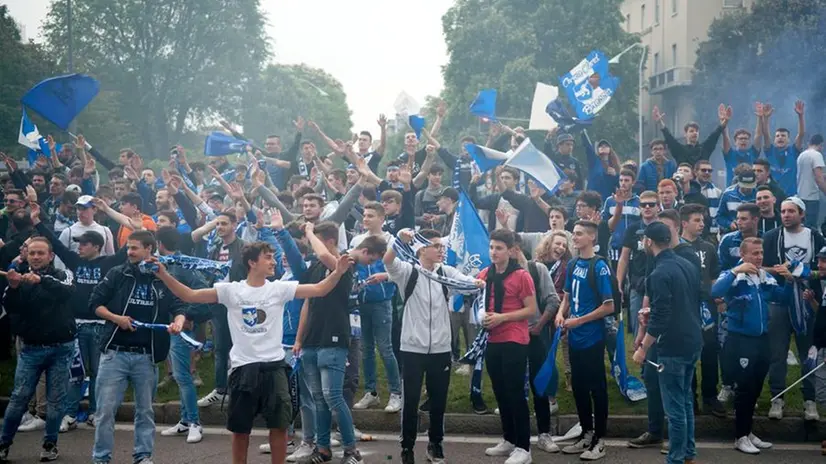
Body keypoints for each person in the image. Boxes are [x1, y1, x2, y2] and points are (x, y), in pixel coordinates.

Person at [154, 241, 351, 464]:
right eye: (268, 257)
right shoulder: (231, 290)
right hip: (242, 369)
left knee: (279, 427)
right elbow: (189, 295)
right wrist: (163, 274)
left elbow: (320, 289)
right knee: (240, 430)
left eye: (274, 257)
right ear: (252, 262)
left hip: (275, 368)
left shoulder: (278, 288)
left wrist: (338, 272)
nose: (273, 261)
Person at [384, 228, 484, 464]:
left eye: (442, 246)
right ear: (421, 249)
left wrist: (478, 282)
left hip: (440, 349)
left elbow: (468, 283)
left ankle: (435, 444)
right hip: (412, 348)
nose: (441, 250)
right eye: (436, 246)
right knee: (410, 401)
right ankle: (407, 447)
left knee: (438, 400)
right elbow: (388, 261)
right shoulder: (409, 272)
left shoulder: (446, 272)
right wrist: (399, 239)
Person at [30, 204, 128, 432]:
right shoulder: (75, 261)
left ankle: (96, 412)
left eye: (84, 244)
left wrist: (134, 224)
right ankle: (71, 414)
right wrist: (37, 222)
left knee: (99, 373)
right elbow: (55, 243)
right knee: (75, 373)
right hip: (77, 326)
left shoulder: (109, 263)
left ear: (96, 246)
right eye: (78, 243)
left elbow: (127, 251)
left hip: (101, 325)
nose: (79, 246)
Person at [712, 237, 791, 454]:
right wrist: (736, 271)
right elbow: (715, 291)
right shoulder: (734, 276)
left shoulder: (764, 277)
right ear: (743, 255)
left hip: (762, 339)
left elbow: (782, 298)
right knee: (745, 389)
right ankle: (739, 436)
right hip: (741, 340)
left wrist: (789, 280)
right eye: (754, 253)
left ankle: (747, 432)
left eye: (761, 253)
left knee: (756, 387)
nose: (759, 257)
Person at [0, 237, 76, 462]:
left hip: (61, 348)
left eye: (40, 253)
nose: (35, 257)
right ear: (26, 255)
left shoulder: (63, 275)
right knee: (18, 399)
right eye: (32, 253)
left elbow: (68, 292)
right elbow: (10, 307)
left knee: (55, 401)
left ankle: (49, 445)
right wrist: (13, 288)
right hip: (31, 348)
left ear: (50, 256)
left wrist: (41, 280)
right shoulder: (18, 277)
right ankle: (4, 443)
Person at [632, 222, 702, 464]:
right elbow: (684, 302)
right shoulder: (688, 265)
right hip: (693, 339)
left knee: (674, 408)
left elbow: (662, 315)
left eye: (644, 239)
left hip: (673, 345)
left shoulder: (658, 273)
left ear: (649, 241)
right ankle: (688, 453)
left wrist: (643, 347)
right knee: (683, 401)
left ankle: (676, 458)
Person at [294, 222, 362, 464]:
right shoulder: (314, 267)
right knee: (318, 399)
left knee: (333, 397)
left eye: (317, 241)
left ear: (330, 241)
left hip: (334, 338)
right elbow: (307, 302)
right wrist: (299, 338)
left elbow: (323, 254)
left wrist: (310, 232)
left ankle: (352, 450)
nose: (313, 247)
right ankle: (323, 449)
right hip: (311, 340)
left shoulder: (344, 263)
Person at [477, 230, 539, 464]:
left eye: (499, 248)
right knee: (500, 391)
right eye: (492, 247)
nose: (494, 252)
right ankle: (509, 439)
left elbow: (531, 309)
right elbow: (478, 302)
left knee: (515, 393)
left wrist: (502, 318)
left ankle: (524, 447)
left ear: (511, 250)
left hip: (514, 338)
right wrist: (482, 316)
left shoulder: (521, 275)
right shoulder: (485, 274)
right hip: (493, 339)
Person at [555, 221, 615, 461]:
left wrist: (578, 321)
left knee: (597, 388)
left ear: (591, 237)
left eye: (579, 234)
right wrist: (561, 314)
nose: (574, 237)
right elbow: (567, 296)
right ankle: (586, 433)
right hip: (575, 337)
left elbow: (608, 306)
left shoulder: (599, 266)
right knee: (578, 388)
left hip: (592, 338)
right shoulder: (572, 264)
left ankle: (600, 439)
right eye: (574, 234)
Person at [762, 197, 825, 421]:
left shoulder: (815, 237)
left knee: (808, 352)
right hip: (779, 302)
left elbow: (822, 268)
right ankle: (777, 398)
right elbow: (764, 268)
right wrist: (781, 272)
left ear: (802, 214)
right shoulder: (772, 237)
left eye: (791, 211)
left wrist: (800, 272)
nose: (786, 215)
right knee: (777, 353)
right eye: (783, 211)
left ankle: (810, 401)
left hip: (807, 301)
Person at [679, 204, 725, 417]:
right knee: (687, 353)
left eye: (703, 220)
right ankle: (690, 397)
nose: (702, 224)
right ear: (684, 223)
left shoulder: (708, 247)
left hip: (706, 307)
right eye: (697, 220)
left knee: (710, 350)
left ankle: (710, 396)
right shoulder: (675, 247)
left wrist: (718, 297)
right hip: (685, 307)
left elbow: (714, 275)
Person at [616, 190, 660, 335]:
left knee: (658, 327)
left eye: (651, 204)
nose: (647, 207)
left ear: (658, 207)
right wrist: (618, 284)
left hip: (661, 282)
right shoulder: (632, 229)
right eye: (643, 204)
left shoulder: (664, 228)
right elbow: (624, 257)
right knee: (638, 324)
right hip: (638, 283)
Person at [653, 104, 725, 167]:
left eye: (696, 131)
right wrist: (660, 122)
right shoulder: (679, 150)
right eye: (691, 131)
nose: (695, 133)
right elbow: (669, 138)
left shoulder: (705, 149)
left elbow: (715, 135)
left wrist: (724, 122)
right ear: (685, 134)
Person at [761, 100, 805, 196]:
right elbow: (765, 134)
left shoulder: (793, 151)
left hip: (791, 195)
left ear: (788, 140)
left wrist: (800, 116)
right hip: (772, 195)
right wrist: (766, 118)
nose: (780, 137)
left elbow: (801, 134)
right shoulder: (770, 151)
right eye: (777, 136)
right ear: (774, 139)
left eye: (783, 136)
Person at [602, 169, 640, 265]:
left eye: (626, 180)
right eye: (621, 180)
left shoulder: (639, 201)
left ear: (633, 182)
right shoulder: (610, 201)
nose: (623, 183)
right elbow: (604, 224)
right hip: (615, 246)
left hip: (634, 247)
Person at [795, 134, 826, 228]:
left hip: (801, 195)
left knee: (802, 225)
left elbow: (807, 174)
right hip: (811, 197)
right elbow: (818, 178)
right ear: (821, 144)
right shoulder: (816, 155)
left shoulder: (802, 155)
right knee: (811, 227)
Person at [718, 204, 761, 271]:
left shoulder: (766, 239)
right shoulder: (727, 240)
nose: (738, 222)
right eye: (737, 218)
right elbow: (721, 268)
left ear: (755, 220)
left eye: (743, 219)